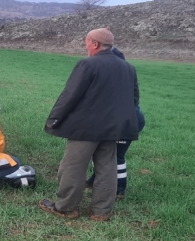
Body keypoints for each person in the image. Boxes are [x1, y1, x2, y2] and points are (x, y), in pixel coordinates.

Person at [39, 28, 140, 221]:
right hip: (112, 129)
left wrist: (54, 119)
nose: (86, 46)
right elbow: (133, 100)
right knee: (107, 167)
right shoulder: (128, 68)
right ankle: (101, 211)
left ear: (94, 44)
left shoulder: (88, 64)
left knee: (73, 167)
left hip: (85, 128)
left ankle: (66, 208)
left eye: (86, 42)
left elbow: (70, 95)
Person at [85, 47, 146, 199]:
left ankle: (119, 189)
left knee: (117, 156)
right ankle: (95, 180)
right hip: (125, 119)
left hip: (125, 121)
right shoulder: (124, 75)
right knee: (103, 153)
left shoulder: (114, 77)